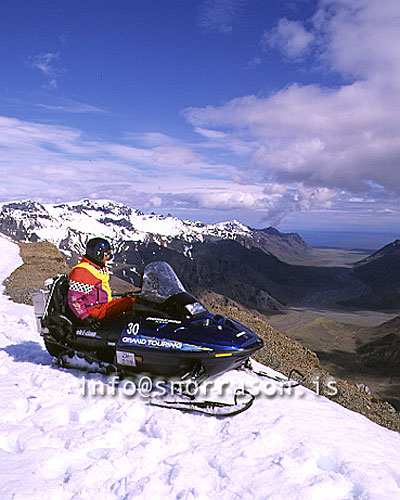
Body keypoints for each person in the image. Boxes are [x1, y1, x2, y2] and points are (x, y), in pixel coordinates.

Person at [67, 237, 136, 329]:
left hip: (100, 307)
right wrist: (85, 317)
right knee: (130, 302)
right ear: (98, 253)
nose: (107, 257)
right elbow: (74, 299)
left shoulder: (94, 268)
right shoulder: (83, 271)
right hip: (94, 310)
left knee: (133, 300)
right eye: (106, 254)